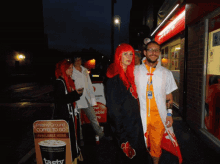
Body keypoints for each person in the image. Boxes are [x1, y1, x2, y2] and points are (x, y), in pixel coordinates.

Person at [134, 41, 182, 164]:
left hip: (158, 117)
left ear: (159, 53)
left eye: (156, 50)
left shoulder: (166, 73)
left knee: (156, 147)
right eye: (150, 50)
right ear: (145, 52)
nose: (153, 52)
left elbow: (169, 95)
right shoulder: (135, 71)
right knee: (139, 145)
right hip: (139, 116)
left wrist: (170, 114)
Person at [106, 43, 148, 164]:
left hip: (135, 126)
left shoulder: (129, 75)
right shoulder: (114, 79)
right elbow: (114, 111)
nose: (129, 57)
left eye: (131, 54)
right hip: (125, 129)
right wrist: (122, 137)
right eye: (125, 54)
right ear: (119, 56)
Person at [53, 59, 83, 164]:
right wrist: (75, 94)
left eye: (71, 68)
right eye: (69, 68)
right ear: (63, 69)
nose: (71, 70)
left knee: (72, 136)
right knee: (68, 138)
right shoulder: (59, 82)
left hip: (69, 114)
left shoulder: (67, 80)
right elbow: (60, 100)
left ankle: (74, 156)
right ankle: (71, 157)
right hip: (64, 116)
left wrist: (76, 94)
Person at [71, 56, 106, 145]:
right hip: (76, 98)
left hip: (86, 98)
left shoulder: (84, 70)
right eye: (76, 60)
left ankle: (101, 134)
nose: (78, 61)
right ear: (74, 61)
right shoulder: (71, 71)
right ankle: (80, 138)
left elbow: (89, 84)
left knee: (93, 117)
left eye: (79, 59)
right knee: (77, 121)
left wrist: (92, 98)